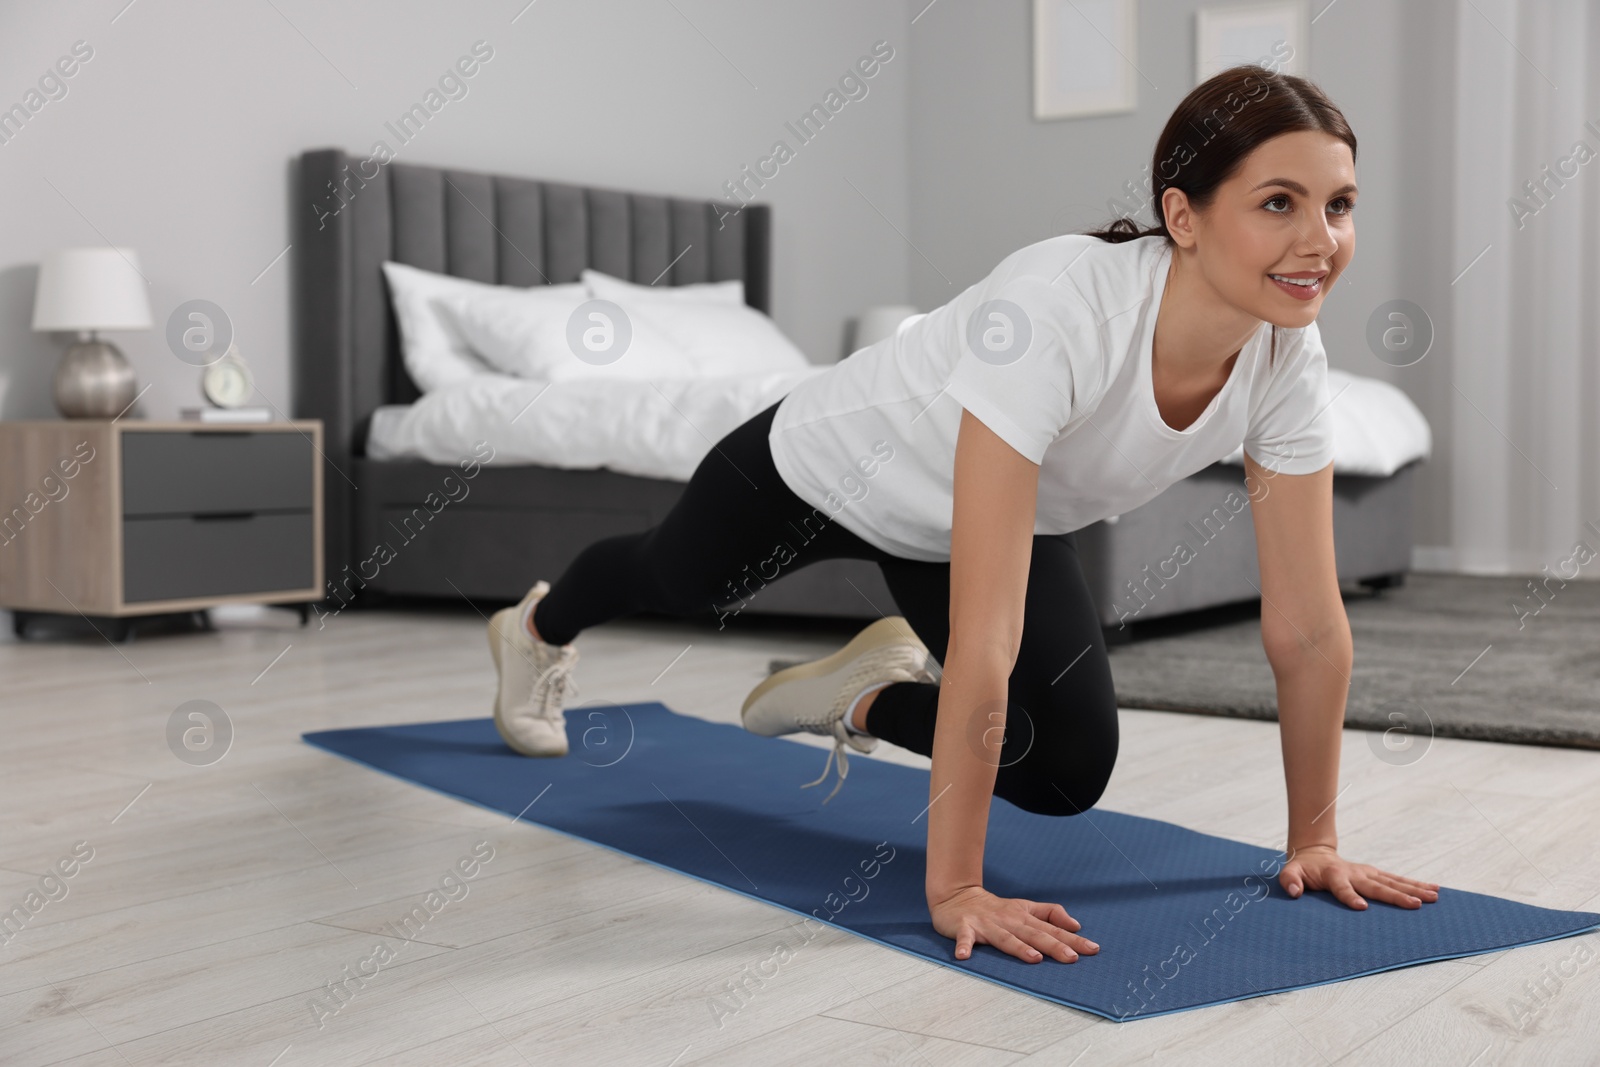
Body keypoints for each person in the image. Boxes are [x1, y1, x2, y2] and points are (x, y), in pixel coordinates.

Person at [485, 64, 1439, 967]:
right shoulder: (1058, 305)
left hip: (967, 520)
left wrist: (1314, 839)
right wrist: (957, 889)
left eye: (1339, 205)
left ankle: (854, 692)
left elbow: (1310, 627)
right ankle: (534, 627)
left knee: (1067, 770)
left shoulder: (1285, 360)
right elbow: (987, 632)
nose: (1321, 240)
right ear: (1182, 217)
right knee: (672, 576)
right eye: (1280, 202)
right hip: (823, 469)